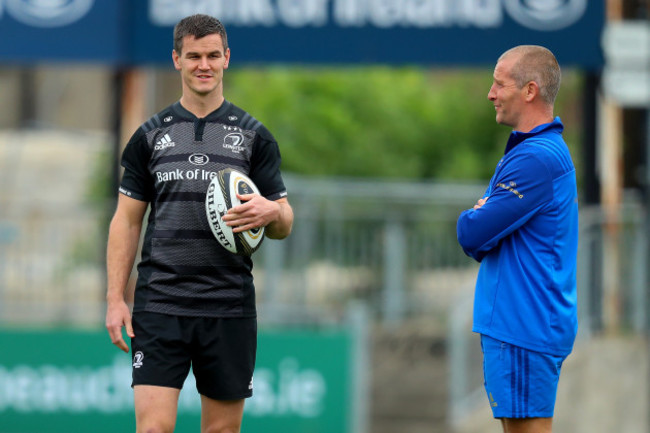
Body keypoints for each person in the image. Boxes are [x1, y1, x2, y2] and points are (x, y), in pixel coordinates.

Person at [105, 14, 293, 433]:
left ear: (226, 58)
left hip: (228, 305)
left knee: (222, 431)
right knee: (153, 429)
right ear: (177, 59)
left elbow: (285, 220)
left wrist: (272, 212)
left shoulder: (254, 136)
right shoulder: (149, 136)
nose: (203, 65)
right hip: (159, 304)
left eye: (212, 55)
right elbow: (126, 221)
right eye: (193, 56)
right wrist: (116, 298)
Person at [456, 45, 578, 433]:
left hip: (524, 323)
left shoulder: (535, 158)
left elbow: (472, 232)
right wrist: (484, 211)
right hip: (521, 324)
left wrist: (476, 213)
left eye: (498, 83)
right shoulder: (536, 152)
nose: (491, 93)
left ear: (529, 91)